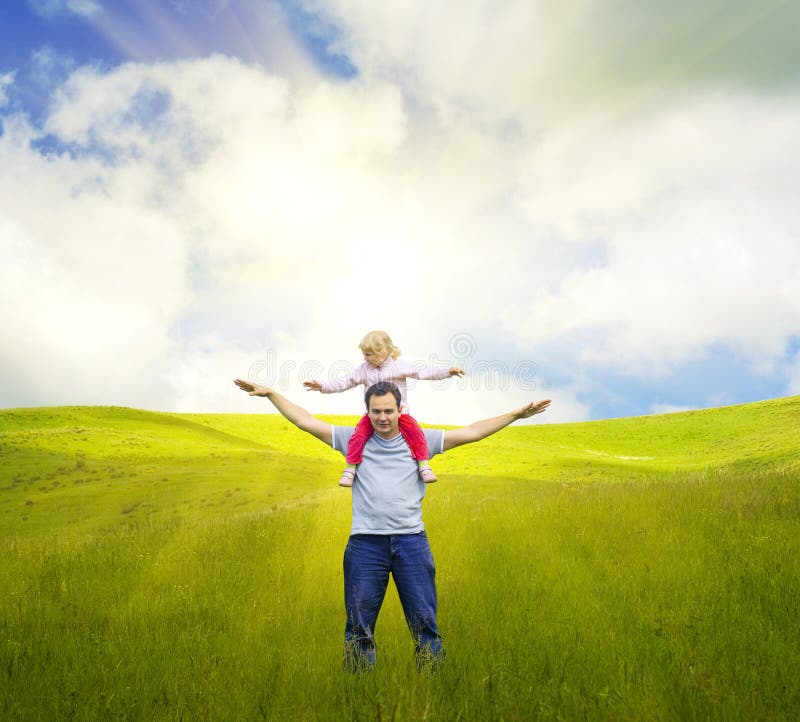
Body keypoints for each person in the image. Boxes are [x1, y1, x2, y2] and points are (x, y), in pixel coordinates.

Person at [233, 376, 551, 671]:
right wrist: (273, 394)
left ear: (400, 409)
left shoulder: (421, 440)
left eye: (388, 410)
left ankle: (432, 686)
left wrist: (514, 415)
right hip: (365, 546)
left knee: (425, 623)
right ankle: (358, 688)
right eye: (376, 411)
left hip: (411, 543)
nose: (382, 417)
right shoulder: (352, 438)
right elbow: (306, 421)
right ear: (367, 412)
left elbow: (472, 432)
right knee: (359, 626)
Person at [303, 330, 464, 488]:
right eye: (364, 354)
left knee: (416, 433)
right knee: (358, 435)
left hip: (400, 414)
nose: (365, 358)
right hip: (373, 415)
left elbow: (424, 372)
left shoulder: (400, 366)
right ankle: (351, 469)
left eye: (369, 354)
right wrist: (322, 386)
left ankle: (423, 465)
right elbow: (344, 382)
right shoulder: (364, 369)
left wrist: (447, 372)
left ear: (383, 352)